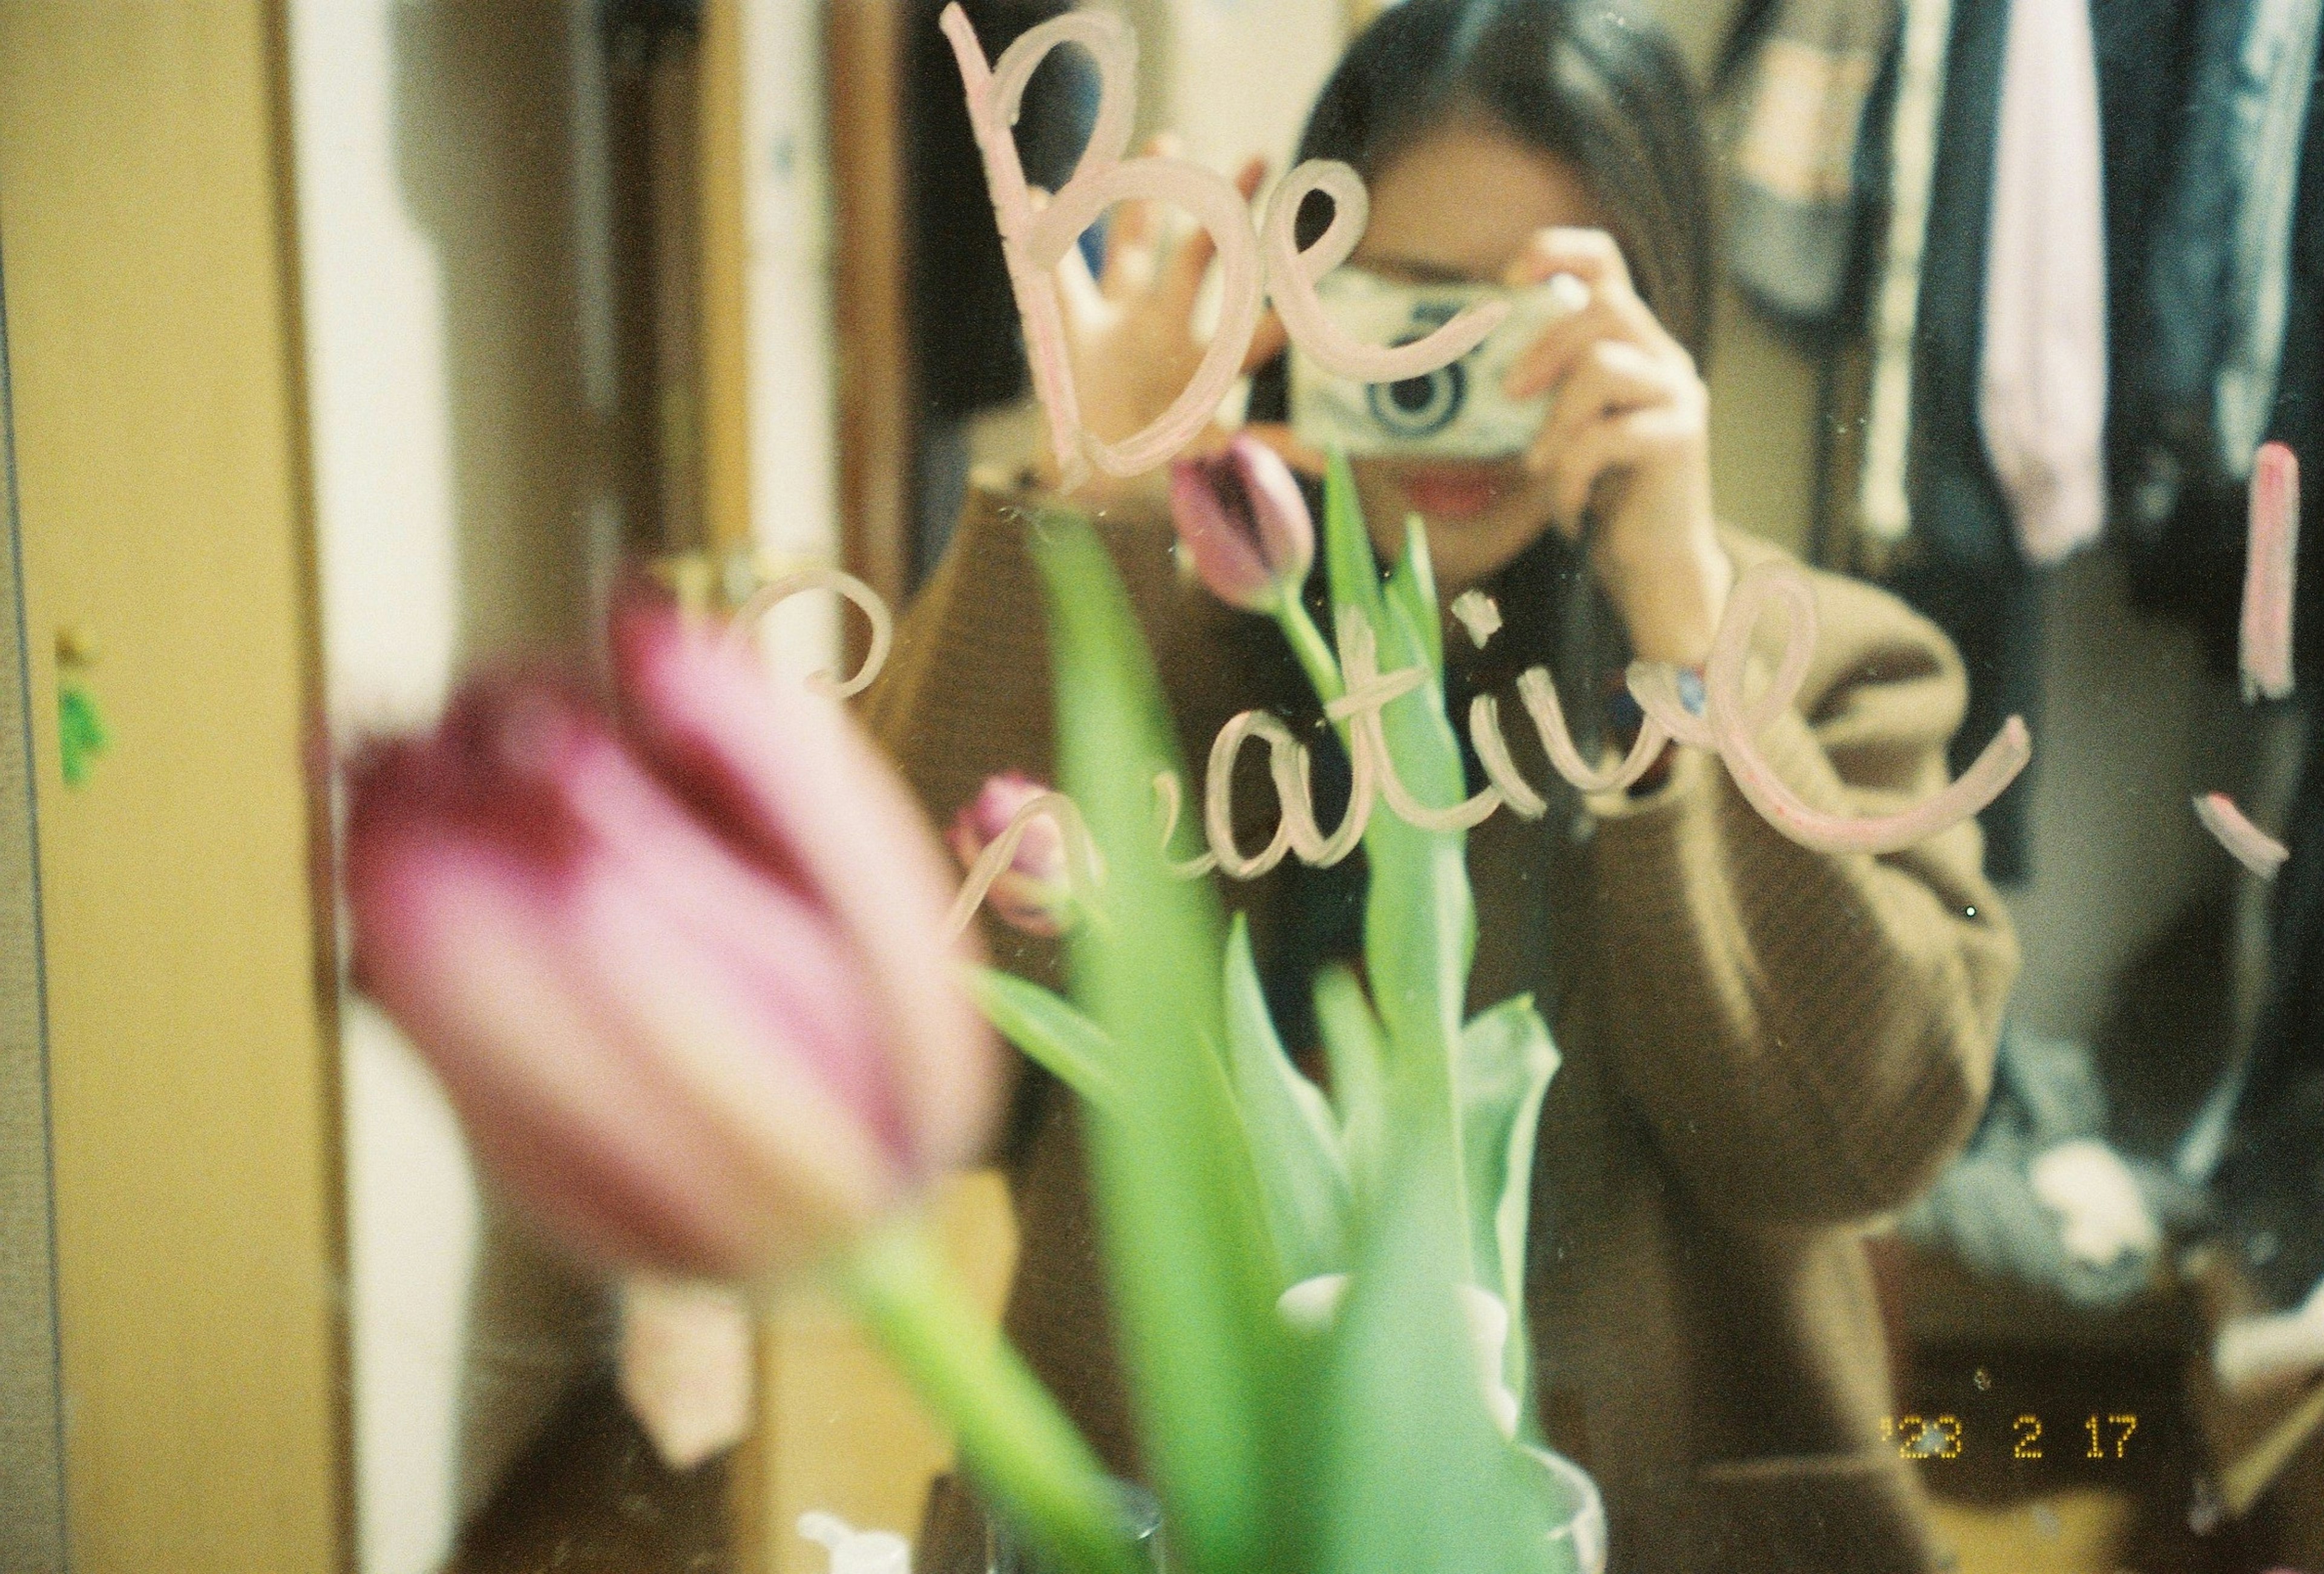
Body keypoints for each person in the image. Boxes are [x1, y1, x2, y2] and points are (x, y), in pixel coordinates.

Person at [865, 1, 2017, 1569]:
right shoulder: (1170, 639)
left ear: (1663, 322)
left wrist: (1685, 628)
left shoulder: (1831, 671)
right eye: (1394, 304)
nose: (1446, 373)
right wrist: (1082, 503)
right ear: (1294, 299)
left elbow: (1857, 1138)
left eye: (1533, 310)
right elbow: (894, 1035)